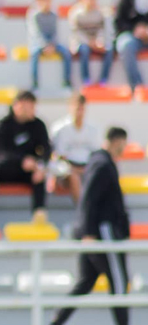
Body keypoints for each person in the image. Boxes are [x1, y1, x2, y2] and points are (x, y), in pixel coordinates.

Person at [49, 127, 131, 325]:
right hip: (103, 232)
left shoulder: (99, 162)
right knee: (119, 282)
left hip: (95, 232)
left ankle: (55, 322)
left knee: (85, 282)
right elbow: (89, 199)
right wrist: (89, 232)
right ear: (116, 141)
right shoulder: (102, 164)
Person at [0, 91, 51, 224]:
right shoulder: (3, 125)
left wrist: (40, 165)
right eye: (27, 107)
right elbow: (2, 152)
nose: (31, 110)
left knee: (39, 176)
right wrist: (22, 160)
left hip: (27, 171)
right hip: (6, 169)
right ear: (17, 106)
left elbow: (46, 149)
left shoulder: (38, 125)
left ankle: (39, 213)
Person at [48, 94, 100, 203]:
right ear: (69, 108)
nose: (79, 113)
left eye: (82, 109)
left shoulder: (92, 130)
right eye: (77, 109)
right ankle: (82, 210)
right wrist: (75, 169)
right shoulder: (59, 129)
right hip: (66, 169)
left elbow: (96, 154)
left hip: (87, 167)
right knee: (74, 176)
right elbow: (58, 156)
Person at [115, 0, 148, 91]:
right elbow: (119, 21)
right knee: (126, 45)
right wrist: (135, 30)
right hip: (132, 36)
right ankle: (138, 87)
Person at [27, 0, 72, 89]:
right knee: (34, 54)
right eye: (45, 0)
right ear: (39, 1)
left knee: (66, 52)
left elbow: (55, 33)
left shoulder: (54, 15)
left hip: (52, 44)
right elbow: (35, 33)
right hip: (37, 44)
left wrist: (52, 44)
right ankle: (34, 82)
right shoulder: (34, 16)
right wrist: (44, 45)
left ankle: (66, 80)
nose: (48, 3)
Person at [68, 0, 114, 86]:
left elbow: (102, 30)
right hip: (81, 43)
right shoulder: (75, 14)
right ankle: (86, 80)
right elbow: (76, 33)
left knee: (109, 50)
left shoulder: (100, 13)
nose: (91, 2)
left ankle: (103, 80)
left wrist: (99, 42)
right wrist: (89, 43)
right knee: (84, 50)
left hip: (96, 42)